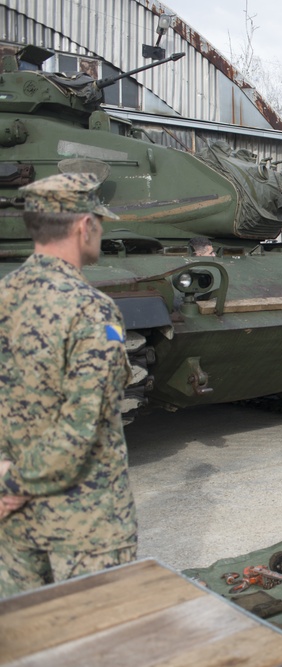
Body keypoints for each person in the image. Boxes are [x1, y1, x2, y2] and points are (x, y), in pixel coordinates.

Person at [0, 173, 138, 597]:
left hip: (14, 528)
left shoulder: (4, 295)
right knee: (99, 645)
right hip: (84, 525)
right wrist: (14, 486)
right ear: (84, 226)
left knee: (25, 643)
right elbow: (81, 425)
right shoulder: (92, 310)